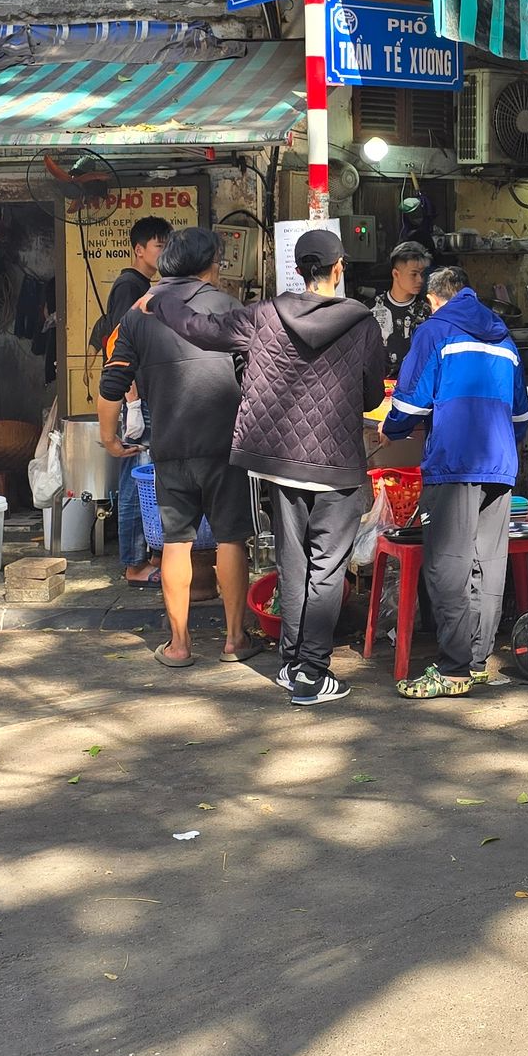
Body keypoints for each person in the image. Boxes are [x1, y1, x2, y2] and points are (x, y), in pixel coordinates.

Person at [151, 226, 389, 706]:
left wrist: (160, 300)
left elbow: (200, 328)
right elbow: (370, 395)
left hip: (281, 463)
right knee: (327, 568)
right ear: (339, 268)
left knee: (293, 563)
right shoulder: (361, 322)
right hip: (336, 464)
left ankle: (292, 663)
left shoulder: (264, 315)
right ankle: (312, 674)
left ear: (298, 270)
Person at [99, 227, 256, 667]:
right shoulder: (228, 307)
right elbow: (254, 376)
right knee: (230, 537)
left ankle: (180, 645)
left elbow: (111, 383)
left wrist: (109, 437)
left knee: (176, 541)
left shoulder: (139, 313)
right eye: (219, 263)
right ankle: (235, 640)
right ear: (208, 265)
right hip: (225, 445)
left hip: (168, 445)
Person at [382, 268, 528, 698]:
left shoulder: (435, 331)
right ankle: (477, 661)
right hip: (499, 464)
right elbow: (521, 415)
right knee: (488, 562)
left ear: (435, 299)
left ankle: (452, 670)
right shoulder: (504, 339)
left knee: (448, 564)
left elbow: (410, 402)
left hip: (453, 462)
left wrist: (391, 428)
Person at [91, 216, 169, 352]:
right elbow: (122, 338)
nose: (165, 252)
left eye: (168, 246)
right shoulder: (128, 285)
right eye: (159, 246)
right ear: (139, 250)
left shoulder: (140, 283)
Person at [368, 241, 433, 377]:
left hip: (417, 383)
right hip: (380, 384)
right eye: (414, 274)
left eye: (422, 274)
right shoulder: (372, 309)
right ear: (396, 274)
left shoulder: (429, 309)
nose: (420, 280)